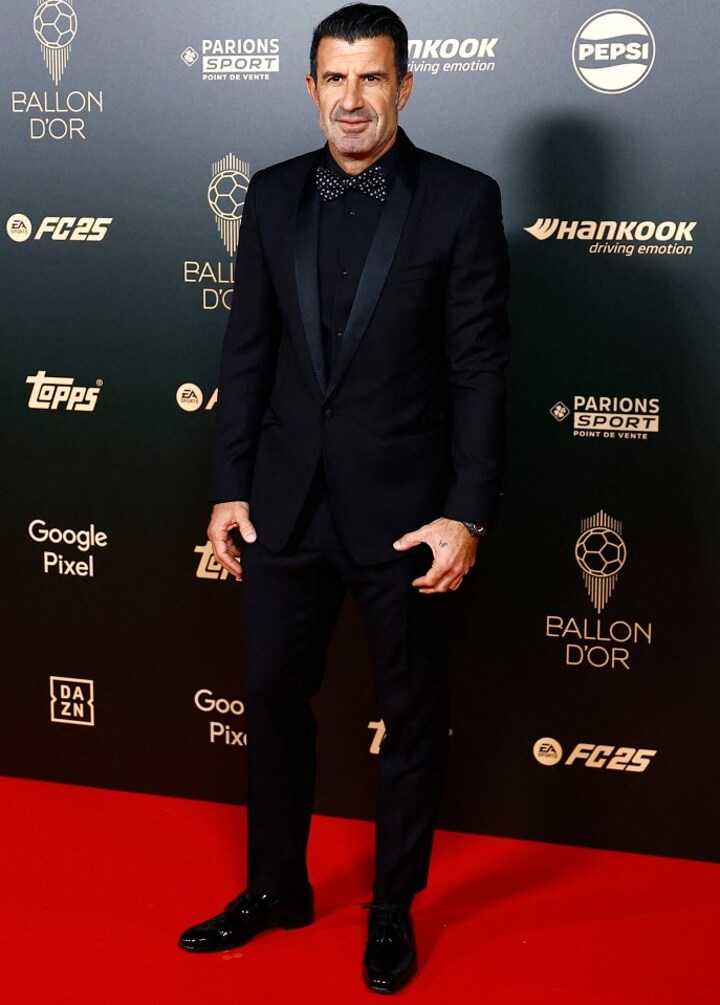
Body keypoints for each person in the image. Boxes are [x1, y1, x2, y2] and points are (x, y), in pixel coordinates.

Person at [179, 3, 510, 994]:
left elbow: (480, 370)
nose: (353, 98)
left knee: (411, 716)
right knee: (274, 700)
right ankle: (275, 886)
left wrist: (466, 512)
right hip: (285, 508)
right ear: (311, 87)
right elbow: (247, 353)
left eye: (372, 77)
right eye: (336, 77)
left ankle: (393, 908)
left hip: (407, 515)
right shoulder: (272, 194)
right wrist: (230, 488)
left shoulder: (461, 199)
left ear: (405, 86)